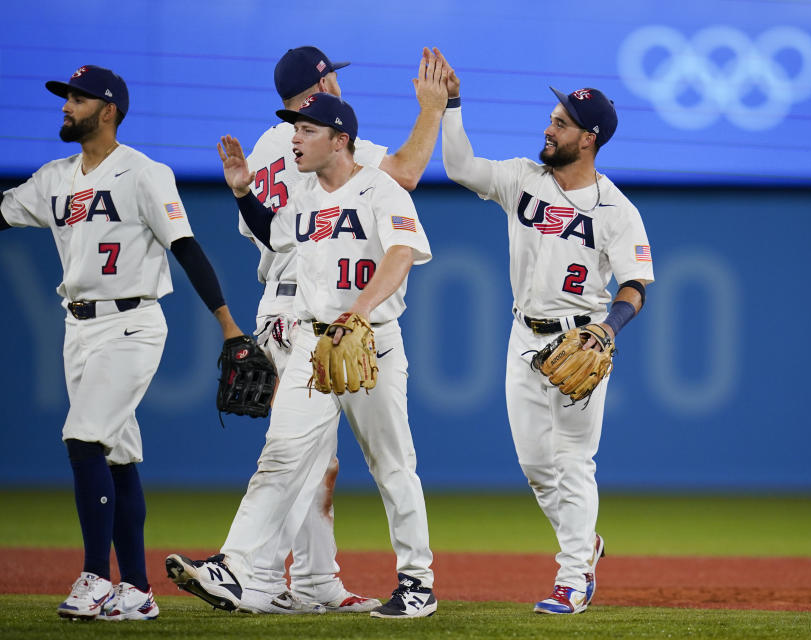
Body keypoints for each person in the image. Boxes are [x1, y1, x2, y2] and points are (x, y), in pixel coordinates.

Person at [165, 46, 448, 615]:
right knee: (282, 455)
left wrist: (361, 311)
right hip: (314, 348)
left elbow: (400, 254)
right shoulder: (303, 196)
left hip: (372, 345)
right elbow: (274, 237)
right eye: (295, 126)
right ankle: (237, 565)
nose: (294, 136)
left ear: (338, 139)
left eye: (306, 129)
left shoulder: (379, 188)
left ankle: (417, 582)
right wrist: (244, 192)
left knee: (393, 467)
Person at [0, 65, 247, 621]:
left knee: (83, 438)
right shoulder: (54, 178)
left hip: (131, 323)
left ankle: (93, 577)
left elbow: (185, 247)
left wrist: (227, 323)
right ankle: (136, 590)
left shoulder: (144, 173)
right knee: (116, 454)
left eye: (78, 98)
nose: (66, 105)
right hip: (77, 327)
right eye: (65, 96)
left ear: (108, 110)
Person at [440, 57, 654, 614]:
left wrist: (608, 330)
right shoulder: (522, 179)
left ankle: (573, 577)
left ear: (589, 138)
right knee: (537, 468)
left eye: (561, 123)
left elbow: (635, 285)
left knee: (575, 462)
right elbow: (461, 167)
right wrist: (451, 106)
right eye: (552, 117)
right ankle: (584, 542)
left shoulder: (617, 210)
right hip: (522, 339)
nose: (548, 128)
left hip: (581, 342)